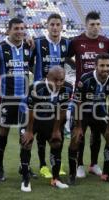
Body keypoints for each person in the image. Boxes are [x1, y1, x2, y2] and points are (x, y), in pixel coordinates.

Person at [68, 11, 109, 178]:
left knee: (98, 132)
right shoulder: (77, 42)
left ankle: (93, 164)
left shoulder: (106, 42)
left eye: (98, 24)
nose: (95, 27)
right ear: (86, 25)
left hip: (99, 98)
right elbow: (65, 57)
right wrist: (74, 69)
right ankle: (79, 164)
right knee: (80, 131)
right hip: (82, 97)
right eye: (92, 24)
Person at [68, 53, 109, 185]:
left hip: (99, 112)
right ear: (96, 66)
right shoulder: (85, 79)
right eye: (102, 65)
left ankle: (105, 173)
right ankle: (75, 170)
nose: (105, 68)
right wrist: (78, 126)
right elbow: (78, 103)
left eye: (108, 65)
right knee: (76, 139)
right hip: (82, 113)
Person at [20, 66, 73, 192]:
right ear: (47, 78)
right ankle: (25, 179)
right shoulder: (36, 88)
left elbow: (62, 110)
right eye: (56, 80)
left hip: (51, 118)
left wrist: (56, 131)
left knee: (57, 143)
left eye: (62, 79)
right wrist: (29, 131)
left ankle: (55, 179)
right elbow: (31, 111)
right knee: (26, 143)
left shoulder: (67, 88)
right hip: (31, 118)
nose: (59, 83)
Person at [30, 13, 70, 178]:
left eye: (57, 24)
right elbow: (28, 62)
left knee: (58, 129)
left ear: (62, 27)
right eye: (52, 24)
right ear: (47, 26)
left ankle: (56, 164)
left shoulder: (67, 44)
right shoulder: (38, 43)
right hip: (41, 94)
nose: (55, 27)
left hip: (58, 94)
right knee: (41, 131)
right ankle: (42, 165)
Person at [0, 18, 31, 181]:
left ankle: (24, 167)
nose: (20, 31)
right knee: (3, 131)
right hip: (7, 99)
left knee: (25, 133)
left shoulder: (29, 46)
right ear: (9, 30)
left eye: (22, 28)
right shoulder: (0, 48)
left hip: (24, 100)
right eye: (16, 28)